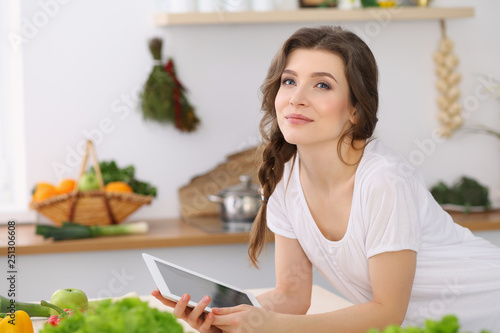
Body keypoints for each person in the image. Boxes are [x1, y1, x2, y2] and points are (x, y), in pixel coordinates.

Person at [152, 26, 500, 332]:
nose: (297, 99)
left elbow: (387, 312)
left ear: (355, 109)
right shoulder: (285, 181)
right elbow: (291, 296)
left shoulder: (383, 181)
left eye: (322, 85)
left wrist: (275, 328)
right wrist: (225, 318)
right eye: (289, 81)